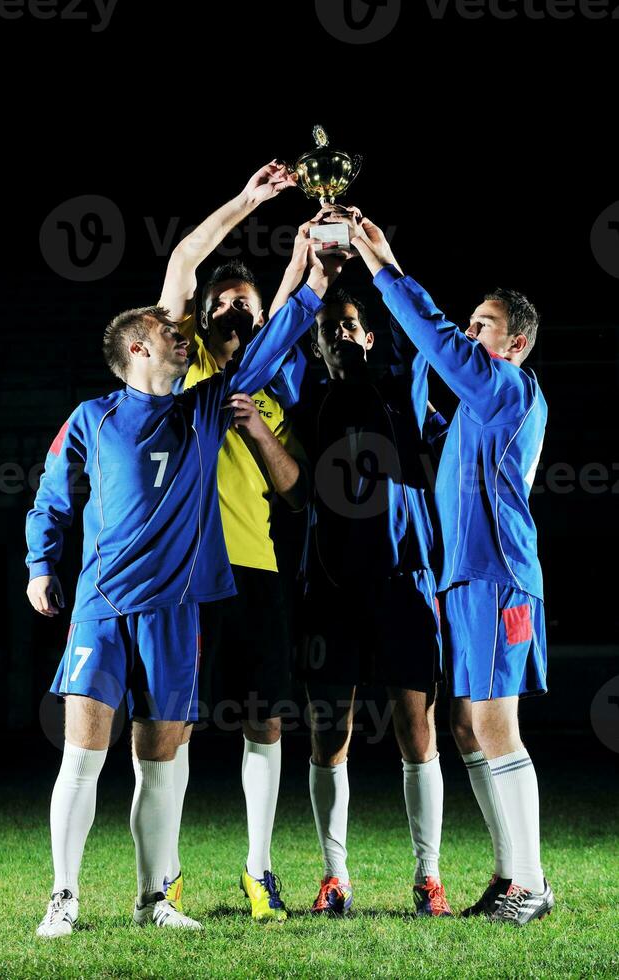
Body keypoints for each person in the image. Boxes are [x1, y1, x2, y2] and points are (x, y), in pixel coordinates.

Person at [25, 216, 337, 937]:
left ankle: (153, 898)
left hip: (173, 613)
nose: (181, 328)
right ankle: (63, 897)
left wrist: (311, 274)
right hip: (101, 608)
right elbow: (51, 495)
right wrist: (42, 564)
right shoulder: (92, 417)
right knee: (82, 755)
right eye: (167, 326)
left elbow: (275, 335)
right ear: (137, 344)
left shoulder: (203, 410)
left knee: (159, 762)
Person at [351, 217, 554, 926]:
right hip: (464, 578)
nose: (471, 335)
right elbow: (420, 412)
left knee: (494, 726)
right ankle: (510, 877)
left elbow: (435, 336)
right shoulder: (476, 408)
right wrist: (415, 360)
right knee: (466, 726)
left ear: (516, 343)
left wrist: (381, 265)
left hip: (498, 576)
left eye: (485, 325)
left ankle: (530, 884)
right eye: (470, 323)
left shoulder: (507, 389)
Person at [156, 164, 341, 922]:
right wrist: (250, 202)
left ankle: (258, 872)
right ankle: (162, 877)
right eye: (224, 303)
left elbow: (299, 491)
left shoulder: (272, 385)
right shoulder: (182, 363)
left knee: (265, 720)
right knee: (174, 724)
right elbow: (179, 264)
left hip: (258, 570)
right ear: (203, 315)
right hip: (183, 573)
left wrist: (262, 432)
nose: (235, 311)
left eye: (248, 304)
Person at [292, 272, 451, 918]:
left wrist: (378, 261)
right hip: (330, 587)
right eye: (330, 332)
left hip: (403, 584)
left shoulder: (400, 393)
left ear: (372, 335)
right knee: (330, 735)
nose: (342, 337)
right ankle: (336, 878)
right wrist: (307, 284)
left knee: (419, 729)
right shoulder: (309, 402)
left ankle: (429, 878)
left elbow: (424, 335)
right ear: (320, 349)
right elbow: (271, 358)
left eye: (351, 327)